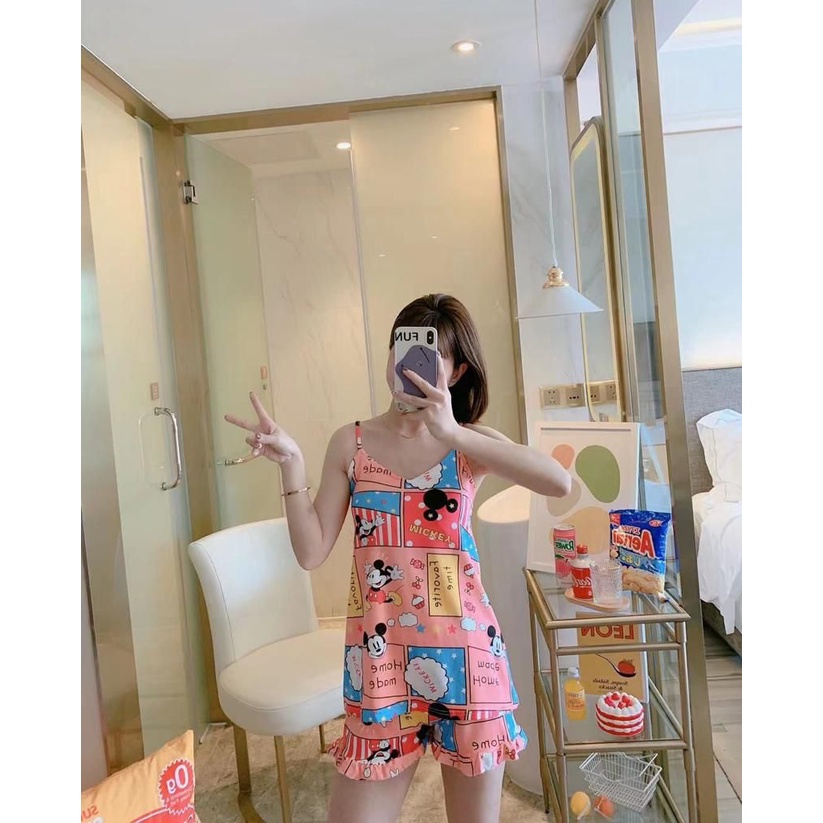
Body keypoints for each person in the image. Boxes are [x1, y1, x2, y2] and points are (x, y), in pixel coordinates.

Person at [225, 293, 572, 823]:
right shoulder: (351, 443)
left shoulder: (469, 444)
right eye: (401, 346)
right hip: (379, 667)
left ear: (457, 371)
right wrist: (291, 466)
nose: (408, 363)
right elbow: (311, 551)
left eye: (430, 353)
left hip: (469, 663)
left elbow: (557, 482)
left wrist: (452, 431)